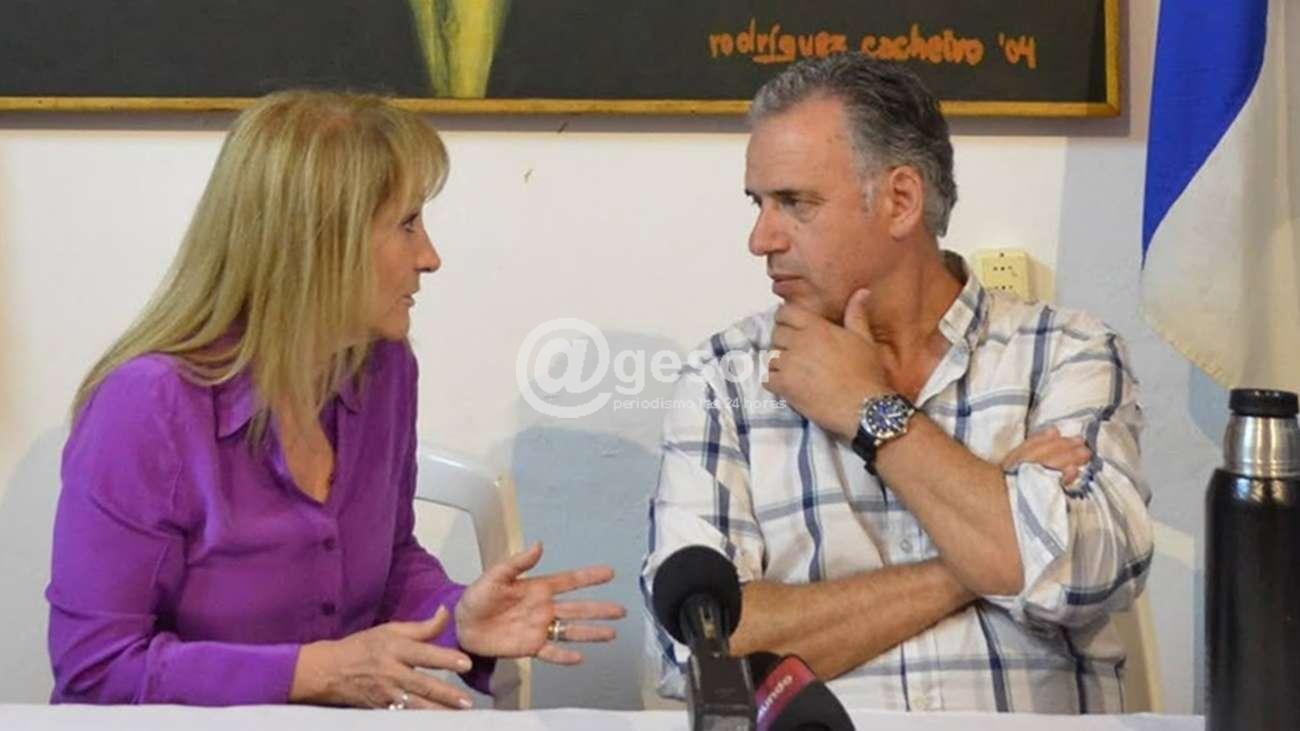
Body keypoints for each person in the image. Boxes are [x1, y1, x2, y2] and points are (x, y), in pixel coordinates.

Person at [47, 89, 625, 708]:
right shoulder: (147, 407)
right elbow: (95, 669)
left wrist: (457, 616)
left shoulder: (385, 370)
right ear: (318, 243)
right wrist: (315, 672)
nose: (430, 257)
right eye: (407, 224)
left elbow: (388, 565)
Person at [640, 54, 1153, 713]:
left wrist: (870, 410)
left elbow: (1083, 575)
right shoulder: (725, 378)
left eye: (794, 203)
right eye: (757, 203)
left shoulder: (1066, 351)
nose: (760, 239)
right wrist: (979, 555)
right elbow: (709, 652)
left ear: (901, 201)